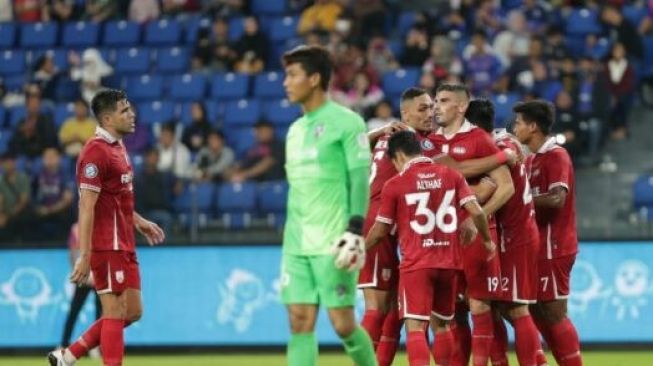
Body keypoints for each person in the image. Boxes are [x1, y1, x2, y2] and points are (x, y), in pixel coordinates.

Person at [48, 89, 165, 366]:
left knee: (133, 311)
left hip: (125, 241)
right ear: (109, 119)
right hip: (106, 243)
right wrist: (85, 255)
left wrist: (139, 222)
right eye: (125, 111)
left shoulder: (118, 147)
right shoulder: (94, 153)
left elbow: (117, 198)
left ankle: (68, 355)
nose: (132, 114)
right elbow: (86, 206)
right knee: (113, 311)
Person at [280, 45, 376, 366]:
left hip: (334, 239)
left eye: (293, 75)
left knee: (343, 323)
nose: (286, 82)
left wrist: (355, 228)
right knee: (299, 321)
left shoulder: (347, 122)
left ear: (315, 78)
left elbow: (360, 179)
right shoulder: (294, 131)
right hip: (296, 243)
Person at [365, 130, 496, 366]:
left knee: (415, 327)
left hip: (416, 264)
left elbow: (380, 230)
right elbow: (476, 211)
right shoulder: (451, 175)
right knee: (443, 325)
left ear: (397, 157)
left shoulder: (395, 184)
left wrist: (361, 249)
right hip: (449, 264)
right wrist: (487, 241)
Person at [427, 84, 515, 366]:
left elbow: (506, 187)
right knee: (449, 310)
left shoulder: (478, 139)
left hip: (474, 236)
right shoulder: (429, 142)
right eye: (436, 101)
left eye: (443, 101)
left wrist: (478, 218)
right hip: (440, 236)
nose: (436, 106)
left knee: (479, 303)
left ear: (462, 107)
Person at [359, 87, 436, 366]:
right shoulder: (411, 144)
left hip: (387, 224)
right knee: (376, 307)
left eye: (431, 107)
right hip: (378, 223)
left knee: (392, 307)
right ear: (405, 113)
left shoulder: (389, 138)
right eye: (422, 109)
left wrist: (376, 133)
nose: (431, 113)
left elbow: (352, 147)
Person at [467, 99, 546, 366]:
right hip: (513, 233)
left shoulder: (497, 149)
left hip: (516, 235)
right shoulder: (505, 143)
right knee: (496, 305)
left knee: (516, 306)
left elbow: (486, 191)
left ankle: (535, 362)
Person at [512, 100, 583, 366]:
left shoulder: (556, 155)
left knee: (554, 313)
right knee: (534, 311)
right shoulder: (531, 159)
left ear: (533, 126)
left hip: (554, 245)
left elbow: (556, 199)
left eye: (519, 123)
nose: (514, 127)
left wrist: (520, 198)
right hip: (536, 246)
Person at [60, 222, 101, 354]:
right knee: (75, 311)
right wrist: (78, 273)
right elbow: (73, 253)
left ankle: (96, 346)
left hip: (98, 276)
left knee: (99, 315)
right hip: (85, 276)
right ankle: (64, 344)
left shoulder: (99, 227)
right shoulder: (77, 228)